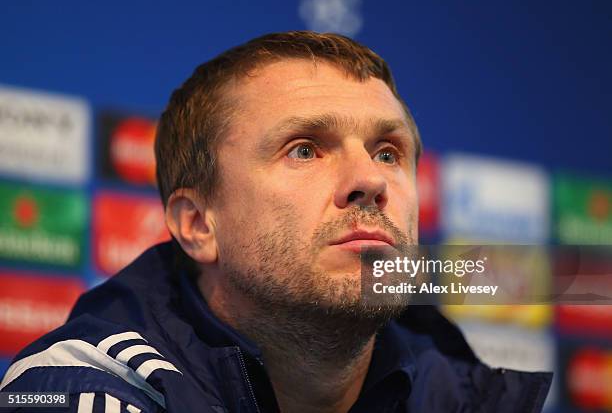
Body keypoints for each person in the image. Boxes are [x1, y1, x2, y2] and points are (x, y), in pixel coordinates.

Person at [0, 31, 551, 413]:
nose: (371, 181)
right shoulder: (78, 388)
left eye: (387, 152)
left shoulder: (461, 393)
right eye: (306, 150)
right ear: (197, 224)